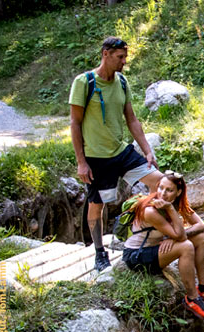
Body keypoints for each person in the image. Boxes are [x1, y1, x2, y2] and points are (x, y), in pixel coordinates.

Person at [69, 36, 163, 272]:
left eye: (125, 57)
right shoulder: (84, 82)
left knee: (160, 182)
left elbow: (131, 119)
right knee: (97, 204)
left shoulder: (121, 81)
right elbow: (74, 123)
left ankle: (144, 229)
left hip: (122, 152)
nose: (124, 62)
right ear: (106, 54)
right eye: (120, 57)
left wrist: (147, 151)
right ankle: (100, 252)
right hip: (96, 158)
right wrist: (81, 162)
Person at [122, 171, 204, 319]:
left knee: (201, 238)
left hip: (155, 249)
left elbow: (201, 225)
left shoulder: (178, 204)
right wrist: (172, 220)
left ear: (178, 192)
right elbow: (180, 236)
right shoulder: (150, 210)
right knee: (186, 246)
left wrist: (175, 237)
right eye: (160, 188)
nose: (162, 194)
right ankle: (191, 298)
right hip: (137, 256)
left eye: (169, 190)